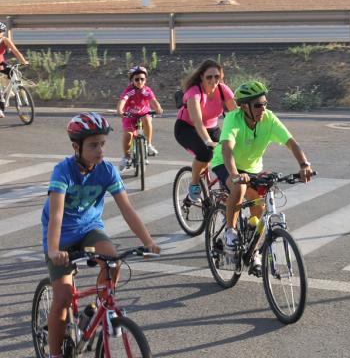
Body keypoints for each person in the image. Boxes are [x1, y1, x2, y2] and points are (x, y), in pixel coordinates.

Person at [41, 112, 161, 358]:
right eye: (93, 145)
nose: (100, 150)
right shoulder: (62, 171)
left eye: (102, 144)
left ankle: (98, 306)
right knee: (63, 297)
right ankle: (54, 354)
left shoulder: (106, 170)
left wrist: (147, 241)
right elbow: (56, 216)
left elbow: (127, 210)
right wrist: (54, 251)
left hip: (88, 229)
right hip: (61, 236)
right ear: (77, 146)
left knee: (113, 259)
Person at [210, 80, 313, 275]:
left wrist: (304, 165)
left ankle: (253, 249)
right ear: (244, 106)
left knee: (259, 207)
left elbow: (291, 143)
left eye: (265, 103)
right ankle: (230, 232)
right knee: (238, 189)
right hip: (225, 163)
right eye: (258, 105)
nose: (262, 108)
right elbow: (227, 149)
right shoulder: (234, 118)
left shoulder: (269, 119)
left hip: (252, 168)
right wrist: (233, 175)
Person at [174, 59, 237, 202]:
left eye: (217, 76)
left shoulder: (223, 89)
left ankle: (224, 188)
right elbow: (197, 121)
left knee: (229, 153)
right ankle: (194, 184)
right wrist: (208, 141)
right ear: (201, 77)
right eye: (209, 77)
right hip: (187, 128)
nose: (213, 80)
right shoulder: (194, 92)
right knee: (205, 153)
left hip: (212, 128)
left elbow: (236, 115)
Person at [117, 66, 163, 172]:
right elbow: (123, 101)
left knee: (147, 120)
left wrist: (158, 109)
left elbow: (153, 101)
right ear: (132, 80)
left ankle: (149, 145)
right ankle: (126, 156)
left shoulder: (147, 90)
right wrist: (120, 110)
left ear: (145, 80)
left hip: (143, 114)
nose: (140, 81)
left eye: (142, 79)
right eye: (137, 79)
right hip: (130, 115)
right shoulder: (129, 91)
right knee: (128, 135)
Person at [0, 21, 29, 118]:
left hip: (1, 63)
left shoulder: (5, 40)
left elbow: (15, 51)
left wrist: (23, 61)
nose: (0, 33)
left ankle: (13, 89)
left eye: (1, 31)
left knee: (13, 72)